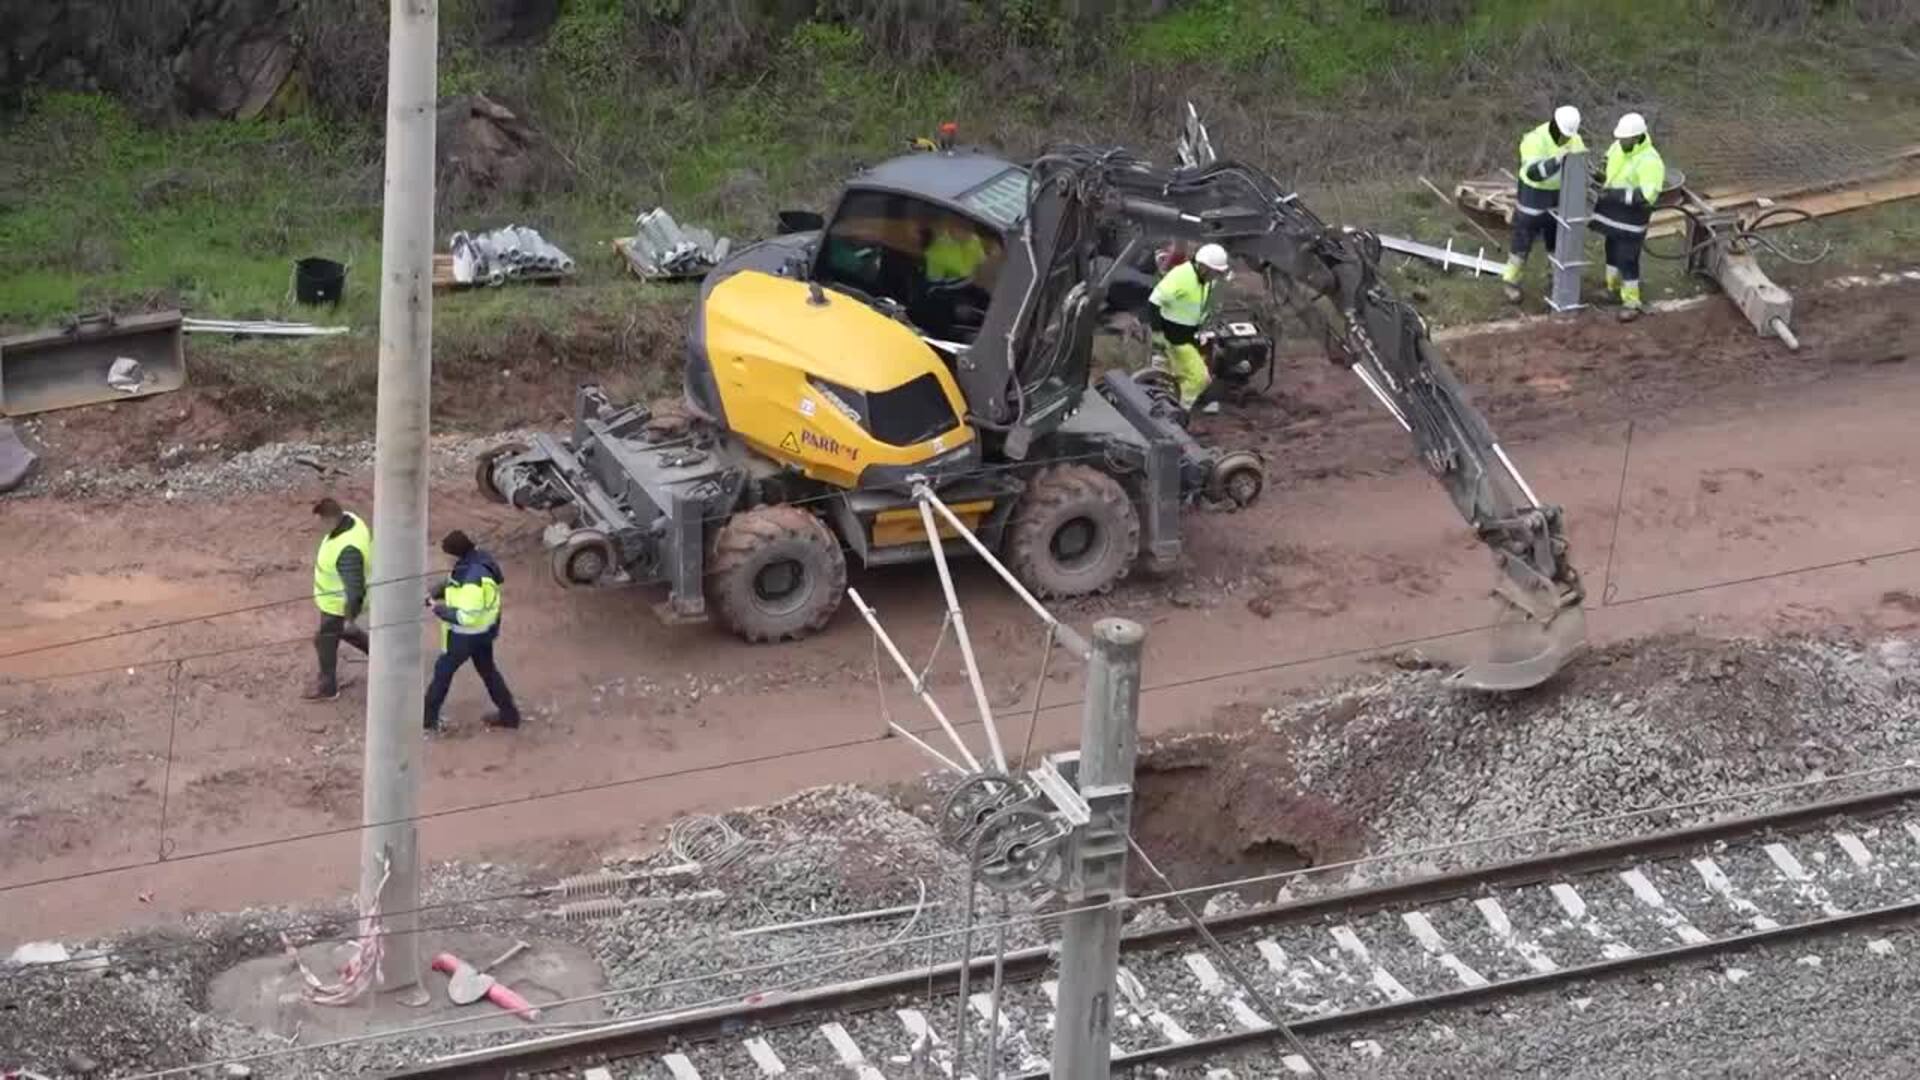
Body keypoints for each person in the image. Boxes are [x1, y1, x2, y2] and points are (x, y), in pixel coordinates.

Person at [423, 529, 522, 732]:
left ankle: (428, 721)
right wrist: (434, 591)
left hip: (465, 637)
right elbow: (453, 582)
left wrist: (437, 608)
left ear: (454, 555)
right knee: (488, 672)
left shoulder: (471, 581)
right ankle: (510, 716)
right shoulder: (476, 561)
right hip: (484, 632)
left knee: (442, 674)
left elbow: (465, 617)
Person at [1500, 105, 1585, 304]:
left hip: (1559, 201)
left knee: (1557, 245)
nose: (1565, 139)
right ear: (1554, 124)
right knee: (1521, 245)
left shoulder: (1575, 139)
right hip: (1533, 200)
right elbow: (1533, 173)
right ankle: (1511, 282)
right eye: (1563, 134)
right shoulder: (1534, 140)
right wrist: (1557, 160)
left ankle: (1556, 280)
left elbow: (1580, 167)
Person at [1591, 111, 1667, 321]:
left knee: (1627, 258)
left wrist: (1615, 194)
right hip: (1613, 213)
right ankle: (1611, 288)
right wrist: (1599, 174)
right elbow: (1607, 165)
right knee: (1611, 251)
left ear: (1637, 137)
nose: (1621, 141)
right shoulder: (1617, 147)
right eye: (1620, 137)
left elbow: (1647, 195)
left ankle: (1631, 302)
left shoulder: (1650, 160)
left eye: (1625, 138)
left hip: (1632, 218)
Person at [1148, 242, 1231, 414]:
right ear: (1203, 266)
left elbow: (1197, 306)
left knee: (1169, 376)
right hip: (1174, 337)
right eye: (1214, 271)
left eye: (1218, 272)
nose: (1216, 276)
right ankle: (1178, 411)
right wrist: (1157, 333)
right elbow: (1154, 302)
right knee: (1199, 378)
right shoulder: (1182, 275)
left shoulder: (1205, 281)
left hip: (1186, 335)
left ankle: (1166, 406)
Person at [306, 497, 370, 701]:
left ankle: (328, 688)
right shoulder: (353, 520)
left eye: (319, 522)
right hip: (335, 603)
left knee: (324, 640)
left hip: (336, 606)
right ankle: (382, 655)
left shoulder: (347, 551)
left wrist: (350, 616)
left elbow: (355, 590)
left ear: (328, 520)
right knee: (340, 633)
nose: (317, 528)